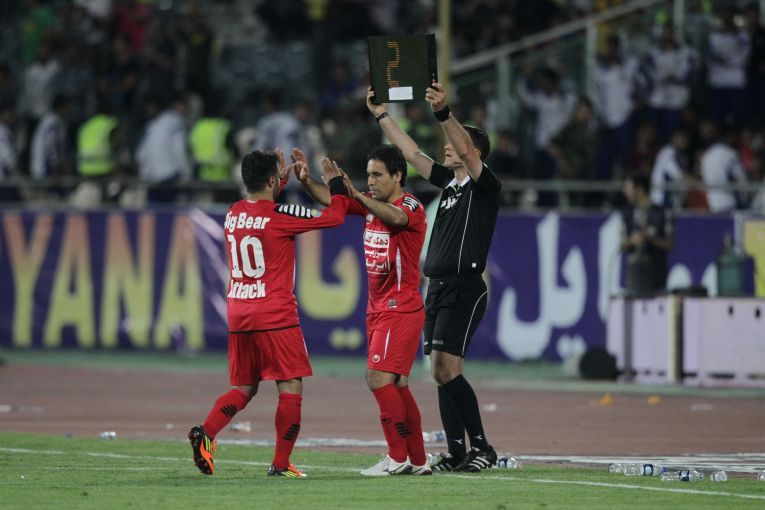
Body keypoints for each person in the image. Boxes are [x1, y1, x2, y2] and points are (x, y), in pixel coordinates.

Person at [188, 149, 349, 478]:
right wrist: (335, 185)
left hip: (239, 312)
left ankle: (206, 433)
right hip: (275, 314)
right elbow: (335, 217)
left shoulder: (233, 212)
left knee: (244, 387)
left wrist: (280, 180)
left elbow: (259, 208)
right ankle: (280, 464)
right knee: (290, 387)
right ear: (272, 181)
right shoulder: (280, 214)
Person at [367, 83, 501, 472]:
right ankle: (457, 453)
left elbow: (465, 150)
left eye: (455, 144)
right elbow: (411, 153)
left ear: (473, 153)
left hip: (465, 287)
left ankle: (483, 449)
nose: (447, 146)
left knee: (447, 369)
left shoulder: (483, 186)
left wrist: (443, 112)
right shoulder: (448, 183)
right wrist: (381, 115)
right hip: (438, 287)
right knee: (440, 372)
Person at [295, 145, 431, 476]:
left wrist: (356, 193)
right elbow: (332, 199)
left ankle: (396, 457)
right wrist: (306, 181)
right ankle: (417, 460)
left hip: (400, 307)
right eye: (368, 174)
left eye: (377, 175)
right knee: (398, 385)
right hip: (379, 308)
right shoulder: (370, 205)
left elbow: (397, 218)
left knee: (377, 378)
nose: (370, 181)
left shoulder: (410, 205)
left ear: (398, 176)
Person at [621, 174, 673, 294]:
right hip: (635, 277)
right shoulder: (627, 214)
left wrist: (650, 239)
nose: (625, 192)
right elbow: (622, 245)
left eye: (628, 188)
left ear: (640, 190)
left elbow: (670, 243)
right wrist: (632, 240)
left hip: (657, 275)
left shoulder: (662, 213)